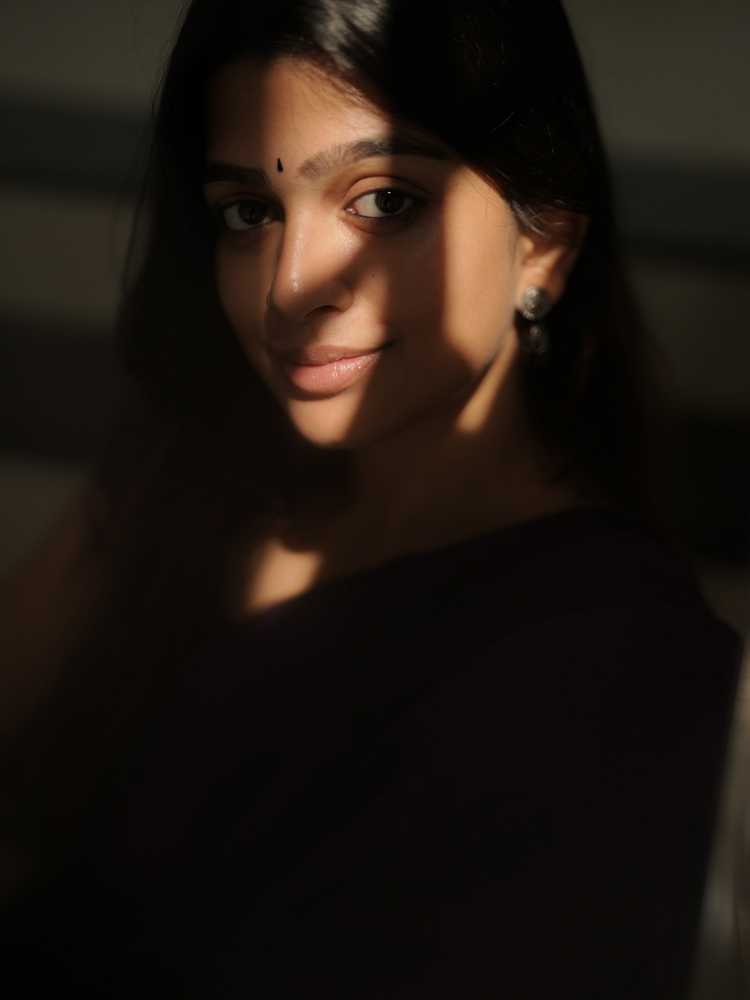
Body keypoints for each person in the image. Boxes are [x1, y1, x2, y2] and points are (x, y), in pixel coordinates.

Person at [0, 1, 742, 996]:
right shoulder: (187, 488)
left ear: (545, 244)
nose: (288, 286)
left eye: (384, 200)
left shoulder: (617, 674)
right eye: (248, 213)